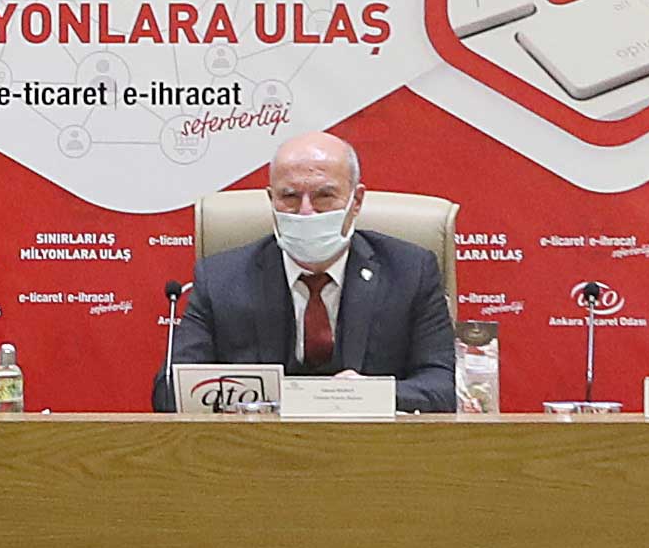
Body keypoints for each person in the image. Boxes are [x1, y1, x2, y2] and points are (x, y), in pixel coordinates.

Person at [159, 129, 459, 412]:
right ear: (272, 200)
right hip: (259, 444)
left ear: (356, 201)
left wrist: (366, 395)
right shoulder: (221, 279)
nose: (305, 212)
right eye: (290, 197)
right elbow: (170, 391)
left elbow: (443, 388)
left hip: (371, 443)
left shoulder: (411, 271)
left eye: (324, 196)